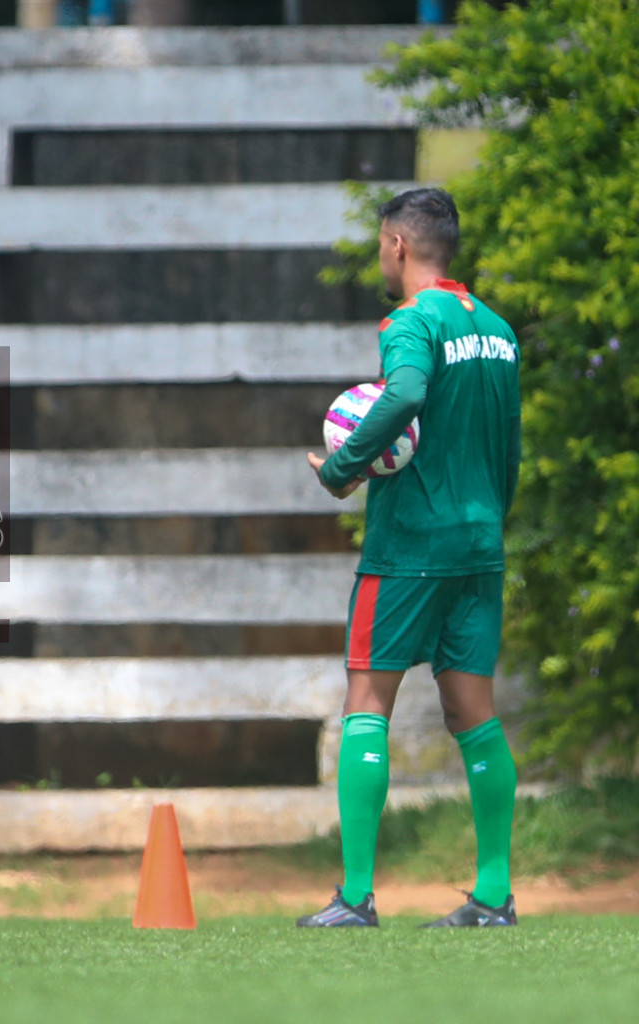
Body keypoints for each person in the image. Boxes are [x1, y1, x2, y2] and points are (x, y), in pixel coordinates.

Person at [299, 187, 521, 928]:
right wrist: (488, 517)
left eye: (380, 247)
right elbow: (508, 448)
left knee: (368, 705)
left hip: (407, 548)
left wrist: (342, 468)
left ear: (397, 245)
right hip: (479, 542)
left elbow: (406, 394)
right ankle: (493, 897)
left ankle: (356, 897)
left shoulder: (409, 323)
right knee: (474, 715)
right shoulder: (496, 330)